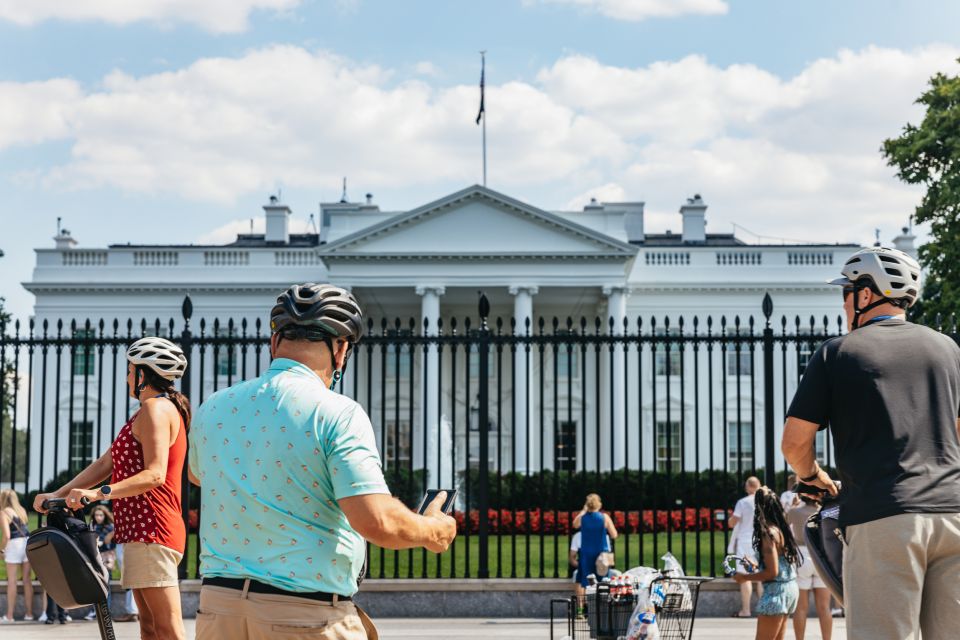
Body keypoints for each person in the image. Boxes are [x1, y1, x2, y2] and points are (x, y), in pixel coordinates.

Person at [188, 283, 457, 640]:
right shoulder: (337, 413)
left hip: (218, 612)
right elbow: (375, 519)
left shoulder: (214, 407)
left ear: (274, 343)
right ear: (341, 348)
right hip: (304, 615)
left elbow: (197, 476)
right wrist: (434, 530)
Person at [782, 246, 960, 640]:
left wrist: (812, 476)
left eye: (845, 293)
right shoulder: (948, 349)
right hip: (953, 516)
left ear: (866, 295)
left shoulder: (838, 353)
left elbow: (795, 442)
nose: (843, 305)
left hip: (884, 517)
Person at [34, 336, 191, 640]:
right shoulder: (146, 412)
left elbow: (155, 474)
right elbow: (106, 464)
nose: (127, 377)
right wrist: (59, 495)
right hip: (139, 532)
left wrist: (99, 494)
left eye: (130, 371)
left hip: (152, 530)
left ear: (143, 374)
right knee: (148, 627)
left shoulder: (156, 411)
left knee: (168, 629)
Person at [733, 486, 801, 640]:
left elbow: (772, 572)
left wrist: (744, 578)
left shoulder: (768, 533)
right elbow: (778, 564)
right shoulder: (780, 529)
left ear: (759, 507)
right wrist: (756, 565)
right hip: (789, 589)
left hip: (776, 593)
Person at [786, 494, 832, 640]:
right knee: (824, 607)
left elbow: (783, 525)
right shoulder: (824, 512)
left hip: (802, 555)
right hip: (821, 556)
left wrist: (793, 506)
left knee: (801, 608)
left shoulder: (794, 512)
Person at [571, 493, 619, 600]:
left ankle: (584, 609)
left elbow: (574, 524)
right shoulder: (604, 517)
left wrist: (583, 510)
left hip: (586, 555)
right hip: (602, 555)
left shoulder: (583, 518)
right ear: (599, 504)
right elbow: (614, 534)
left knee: (585, 582)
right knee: (602, 581)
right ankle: (601, 607)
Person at [728, 476, 763, 617]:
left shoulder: (742, 503)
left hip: (745, 542)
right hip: (760, 541)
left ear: (748, 487)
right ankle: (763, 609)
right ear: (759, 485)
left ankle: (746, 610)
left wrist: (730, 520)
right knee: (761, 576)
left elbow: (733, 522)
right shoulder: (764, 502)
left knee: (745, 576)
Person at [0, 488, 34, 622]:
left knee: (12, 581)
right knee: (27, 580)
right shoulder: (22, 511)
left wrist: (1, 550)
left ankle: (9, 616)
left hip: (14, 545)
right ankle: (29, 614)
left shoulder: (4, 513)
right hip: (26, 543)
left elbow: (6, 536)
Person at [85, 505, 116, 621]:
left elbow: (105, 542)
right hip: (95, 557)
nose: (98, 517)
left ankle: (106, 612)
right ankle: (96, 611)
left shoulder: (110, 527)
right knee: (96, 585)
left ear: (105, 515)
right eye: (96, 515)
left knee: (106, 585)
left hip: (107, 557)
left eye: (101, 515)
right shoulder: (92, 527)